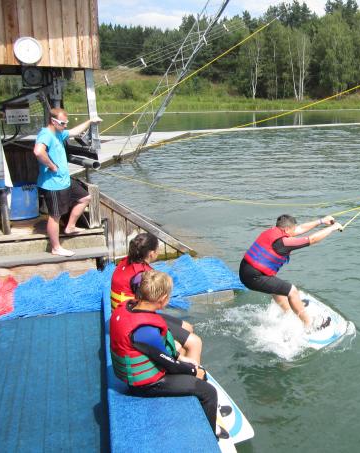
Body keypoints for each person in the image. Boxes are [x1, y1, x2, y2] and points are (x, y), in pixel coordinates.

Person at [109, 270, 229, 439]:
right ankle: (210, 434)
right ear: (163, 299)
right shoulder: (146, 331)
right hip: (145, 386)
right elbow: (169, 365)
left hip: (147, 370)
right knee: (209, 392)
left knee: (197, 368)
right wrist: (193, 371)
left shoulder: (129, 308)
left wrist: (190, 364)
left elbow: (163, 354)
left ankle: (212, 409)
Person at [239, 214, 342, 331]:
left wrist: (322, 221)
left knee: (278, 289)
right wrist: (332, 228)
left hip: (246, 270)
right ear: (286, 229)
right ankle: (309, 324)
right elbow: (311, 239)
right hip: (253, 277)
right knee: (292, 291)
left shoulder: (274, 231)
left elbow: (300, 229)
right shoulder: (282, 242)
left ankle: (288, 312)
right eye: (293, 229)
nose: (296, 231)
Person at [110, 232, 199, 360]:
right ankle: (192, 373)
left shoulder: (126, 261)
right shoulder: (142, 276)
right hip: (135, 320)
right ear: (151, 253)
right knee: (189, 344)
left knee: (188, 327)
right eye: (158, 250)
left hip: (124, 312)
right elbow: (150, 303)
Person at [33, 108, 102, 257]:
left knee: (85, 198)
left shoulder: (59, 133)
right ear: (53, 121)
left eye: (66, 123)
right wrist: (51, 166)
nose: (65, 126)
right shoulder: (46, 134)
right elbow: (38, 151)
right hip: (53, 183)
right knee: (55, 215)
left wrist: (90, 121)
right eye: (62, 123)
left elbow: (74, 132)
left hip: (64, 180)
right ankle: (56, 248)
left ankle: (70, 227)